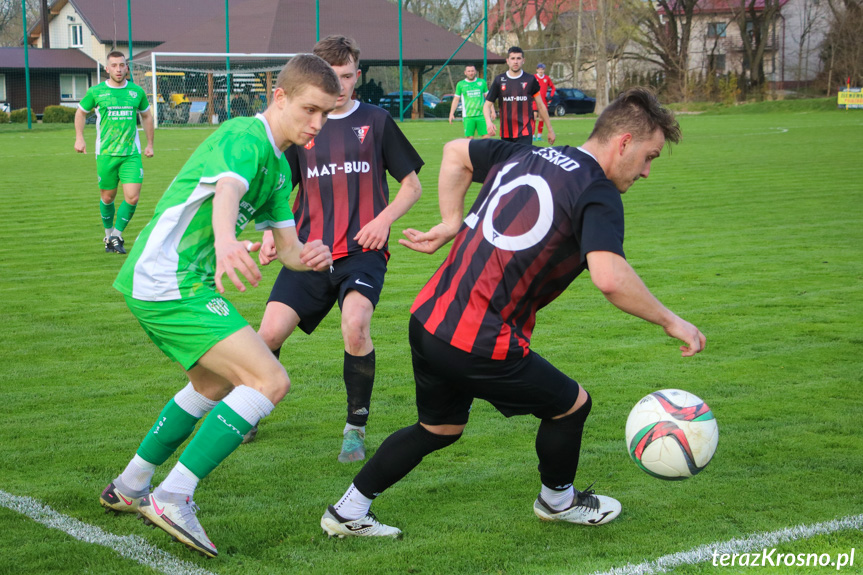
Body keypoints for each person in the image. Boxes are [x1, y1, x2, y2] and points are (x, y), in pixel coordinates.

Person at [320, 87, 706, 538]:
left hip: (428, 318)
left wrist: (451, 220)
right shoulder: (596, 191)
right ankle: (558, 501)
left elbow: (455, 153)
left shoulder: (527, 154)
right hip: (478, 338)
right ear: (623, 142)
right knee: (571, 406)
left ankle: (348, 511)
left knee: (439, 427)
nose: (646, 171)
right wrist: (671, 320)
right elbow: (609, 276)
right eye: (649, 156)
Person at [98, 54, 340, 557]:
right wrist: (228, 241)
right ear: (281, 97)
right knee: (270, 380)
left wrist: (308, 257)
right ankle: (172, 495)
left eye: (327, 113)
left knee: (211, 383)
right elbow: (227, 188)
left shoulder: (277, 167)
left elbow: (290, 251)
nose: (317, 123)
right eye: (310, 109)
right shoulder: (245, 137)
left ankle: (131, 483)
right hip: (169, 278)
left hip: (169, 280)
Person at [253, 36, 424, 462]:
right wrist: (269, 235)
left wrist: (383, 219)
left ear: (357, 75)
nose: (342, 85)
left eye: (348, 76)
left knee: (355, 325)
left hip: (362, 251)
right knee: (269, 333)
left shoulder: (377, 121)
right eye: (334, 78)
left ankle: (355, 427)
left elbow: (412, 186)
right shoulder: (304, 124)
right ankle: (250, 410)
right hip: (309, 251)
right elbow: (278, 188)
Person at [75, 51, 154, 255]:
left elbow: (146, 116)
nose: (118, 69)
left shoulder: (137, 92)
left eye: (122, 65)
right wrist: (79, 137)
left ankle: (116, 235)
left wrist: (149, 144)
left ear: (127, 67)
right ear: (107, 69)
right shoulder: (97, 92)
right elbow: (81, 113)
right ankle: (108, 235)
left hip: (131, 154)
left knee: (132, 197)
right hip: (106, 154)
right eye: (114, 65)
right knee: (108, 197)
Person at [483, 47, 555, 146]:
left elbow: (540, 105)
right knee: (508, 161)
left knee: (524, 161)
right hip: (506, 133)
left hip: (525, 132)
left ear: (523, 60)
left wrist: (550, 130)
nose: (515, 62)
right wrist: (488, 122)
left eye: (518, 58)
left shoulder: (530, 80)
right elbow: (487, 105)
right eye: (512, 58)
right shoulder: (499, 80)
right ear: (507, 61)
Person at [449, 64, 490, 139]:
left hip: (482, 115)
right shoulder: (460, 84)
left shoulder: (482, 82)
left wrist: (492, 111)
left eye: (472, 71)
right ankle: (471, 151)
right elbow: (456, 99)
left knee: (486, 137)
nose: (471, 73)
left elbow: (488, 98)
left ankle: (484, 151)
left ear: (475, 72)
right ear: (465, 72)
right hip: (468, 116)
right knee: (469, 139)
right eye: (469, 71)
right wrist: (451, 113)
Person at [532, 63, 556, 142]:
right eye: (539, 69)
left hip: (543, 102)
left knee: (542, 118)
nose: (541, 71)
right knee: (534, 117)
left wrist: (551, 96)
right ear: (537, 70)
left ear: (544, 70)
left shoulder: (547, 78)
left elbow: (553, 87)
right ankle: (533, 136)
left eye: (542, 69)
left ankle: (539, 136)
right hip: (535, 101)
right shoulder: (533, 77)